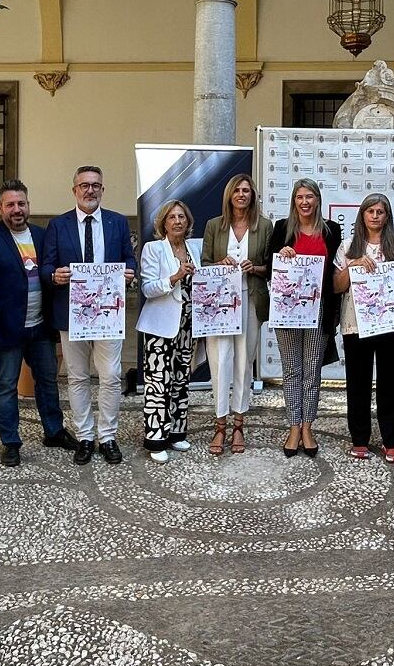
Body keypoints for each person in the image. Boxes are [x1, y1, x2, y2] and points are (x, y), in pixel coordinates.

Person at [0, 179, 76, 468]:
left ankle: (53, 431)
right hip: (6, 329)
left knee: (47, 381)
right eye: (10, 205)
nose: (17, 209)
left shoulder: (44, 236)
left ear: (28, 205)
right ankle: (11, 442)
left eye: (21, 203)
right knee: (5, 386)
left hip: (41, 326)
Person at [43, 165, 137, 467]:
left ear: (102, 190)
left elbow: (129, 258)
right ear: (74, 190)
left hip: (108, 314)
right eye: (84, 185)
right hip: (72, 314)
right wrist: (54, 275)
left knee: (110, 376)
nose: (90, 190)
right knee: (78, 376)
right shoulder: (58, 225)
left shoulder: (117, 223)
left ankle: (107, 436)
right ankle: (85, 436)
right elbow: (46, 267)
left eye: (96, 185)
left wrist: (129, 274)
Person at [334, 194, 394, 463]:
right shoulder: (348, 246)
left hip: (391, 327)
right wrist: (353, 265)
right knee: (357, 383)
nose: (375, 216)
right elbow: (337, 286)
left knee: (390, 384)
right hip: (356, 325)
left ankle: (390, 440)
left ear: (387, 216)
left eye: (380, 211)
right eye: (370, 211)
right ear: (362, 215)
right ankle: (359, 439)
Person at [266, 178, 342, 458]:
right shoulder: (282, 228)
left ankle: (308, 426)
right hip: (287, 308)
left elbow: (337, 268)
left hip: (319, 308)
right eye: (300, 197)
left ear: (318, 200)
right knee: (291, 369)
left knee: (312, 369)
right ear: (294, 200)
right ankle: (293, 426)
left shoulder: (331, 230)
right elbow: (270, 265)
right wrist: (280, 255)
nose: (305, 202)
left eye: (310, 196)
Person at [200, 174, 273, 455]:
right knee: (219, 364)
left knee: (243, 363)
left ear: (253, 195)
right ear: (229, 195)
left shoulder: (264, 226)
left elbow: (272, 267)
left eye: (247, 190)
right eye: (237, 190)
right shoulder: (214, 226)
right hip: (219, 305)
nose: (242, 194)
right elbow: (204, 263)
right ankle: (220, 425)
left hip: (249, 301)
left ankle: (239, 424)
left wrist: (253, 268)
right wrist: (221, 263)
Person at [136, 200, 202, 464]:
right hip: (159, 327)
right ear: (163, 222)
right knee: (157, 384)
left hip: (187, 326)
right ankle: (155, 438)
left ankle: (176, 433)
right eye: (172, 217)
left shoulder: (194, 247)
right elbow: (148, 289)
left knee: (180, 381)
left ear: (188, 222)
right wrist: (174, 277)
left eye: (181, 217)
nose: (177, 221)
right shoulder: (153, 249)